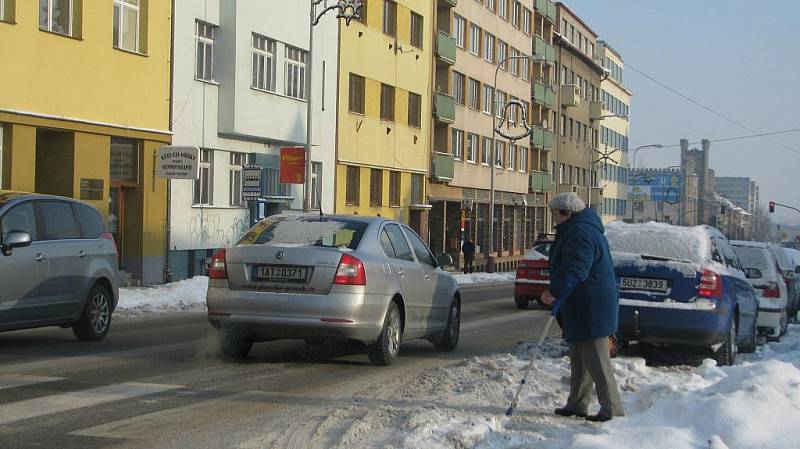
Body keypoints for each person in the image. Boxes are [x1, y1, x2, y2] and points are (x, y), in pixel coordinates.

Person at [540, 192, 624, 423]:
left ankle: (612, 410)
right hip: (581, 305)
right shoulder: (577, 229)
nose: (553, 218)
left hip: (591, 306)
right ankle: (577, 404)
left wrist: (554, 292)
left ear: (566, 213)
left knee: (597, 362)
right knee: (580, 358)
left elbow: (575, 269)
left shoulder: (580, 233)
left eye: (554, 214)